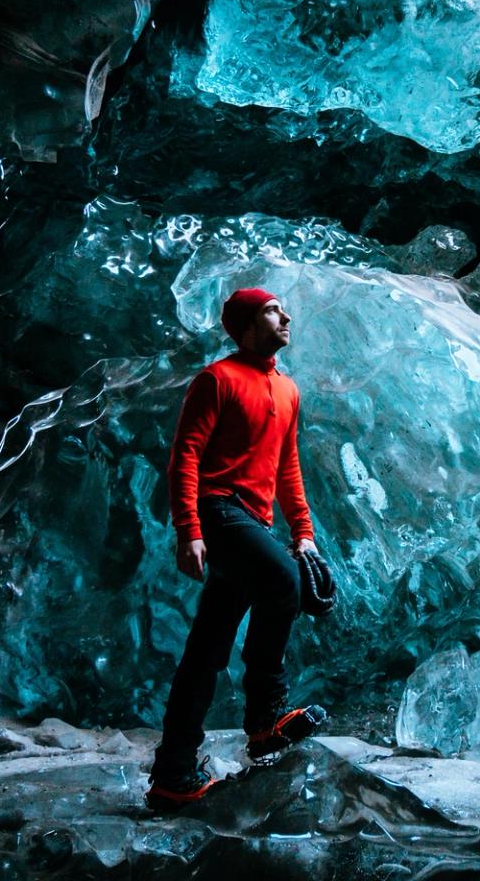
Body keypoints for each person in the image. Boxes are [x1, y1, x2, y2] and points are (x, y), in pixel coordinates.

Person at [146, 287, 328, 811]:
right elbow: (185, 456)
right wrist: (190, 531)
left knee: (205, 650)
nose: (286, 315)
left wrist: (304, 534)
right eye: (273, 310)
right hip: (218, 511)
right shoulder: (216, 380)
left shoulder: (287, 390)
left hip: (252, 519)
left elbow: (287, 468)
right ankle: (266, 720)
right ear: (248, 323)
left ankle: (173, 774)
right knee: (283, 582)